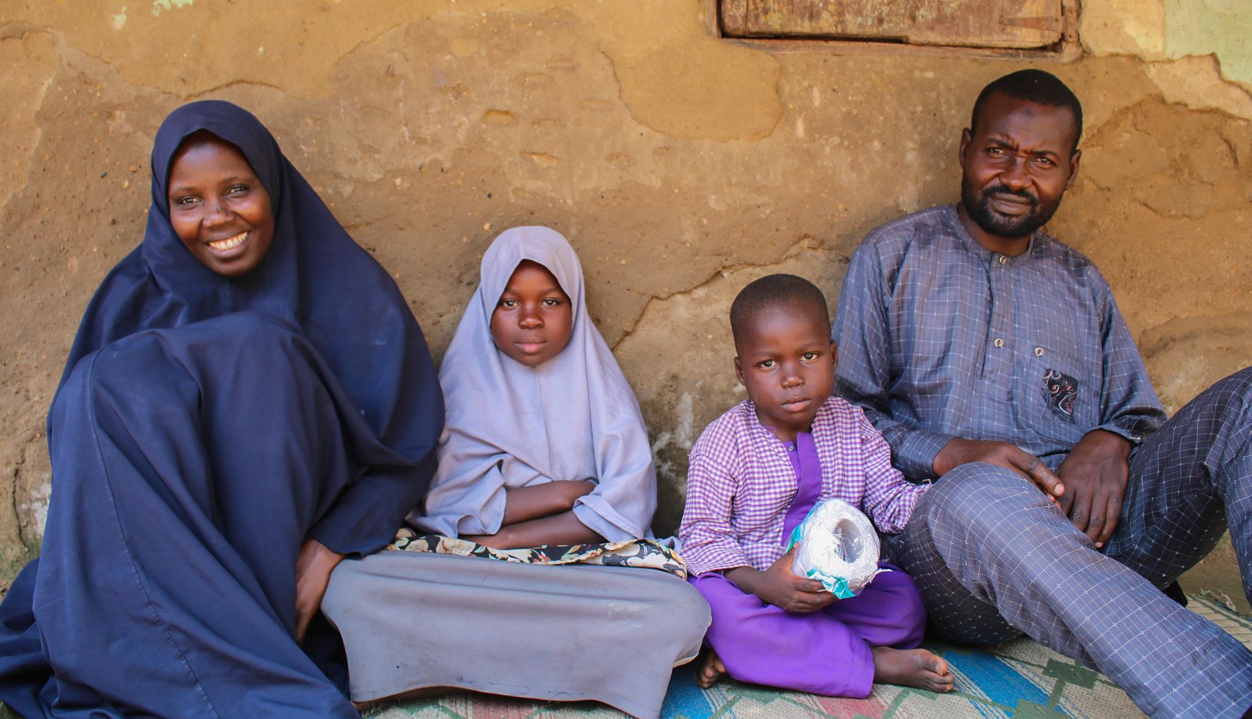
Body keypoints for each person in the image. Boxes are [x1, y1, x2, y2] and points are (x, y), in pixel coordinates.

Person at [0, 101, 444, 719]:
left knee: (259, 347)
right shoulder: (130, 298)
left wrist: (331, 545)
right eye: (188, 200)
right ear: (164, 208)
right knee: (103, 379)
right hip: (172, 539)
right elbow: (91, 462)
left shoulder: (351, 295)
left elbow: (405, 452)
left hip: (276, 539)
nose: (217, 217)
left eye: (237, 189)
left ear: (271, 187)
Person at [833, 68, 1252, 719]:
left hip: (1094, 529)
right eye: (999, 150)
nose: (1016, 175)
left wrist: (1108, 439)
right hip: (957, 559)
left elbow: (1139, 414)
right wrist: (949, 453)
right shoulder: (893, 258)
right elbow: (841, 416)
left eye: (1043, 160)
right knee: (980, 488)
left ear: (1071, 169)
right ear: (967, 147)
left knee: (1249, 402)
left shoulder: (1082, 283)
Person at [321, 226, 709, 719]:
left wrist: (508, 542)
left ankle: (447, 661)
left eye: (550, 302)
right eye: (509, 303)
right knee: (354, 583)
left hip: (577, 569)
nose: (529, 319)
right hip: (470, 565)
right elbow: (447, 506)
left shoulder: (601, 388)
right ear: (486, 308)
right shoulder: (461, 384)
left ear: (575, 305)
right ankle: (562, 667)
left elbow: (622, 510)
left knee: (681, 608)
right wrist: (564, 492)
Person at [678, 274, 952, 698]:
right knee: (712, 608)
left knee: (906, 605)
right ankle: (873, 661)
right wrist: (763, 584)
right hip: (751, 586)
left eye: (808, 355)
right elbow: (701, 535)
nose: (791, 377)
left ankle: (768, 654)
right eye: (768, 363)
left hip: (832, 591)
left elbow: (892, 503)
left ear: (833, 355)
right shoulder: (724, 440)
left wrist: (958, 494)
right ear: (741, 371)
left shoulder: (852, 425)